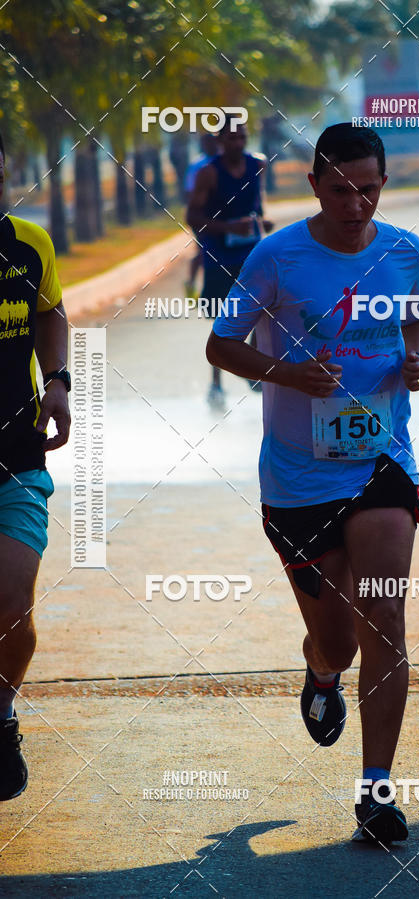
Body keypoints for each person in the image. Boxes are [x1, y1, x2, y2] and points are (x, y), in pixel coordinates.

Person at [206, 123, 419, 845]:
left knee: (385, 623)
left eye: (368, 187)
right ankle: (319, 670)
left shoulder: (405, 250)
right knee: (338, 641)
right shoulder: (277, 257)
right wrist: (287, 373)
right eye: (340, 188)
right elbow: (220, 342)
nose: (355, 202)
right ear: (314, 185)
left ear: (383, 183)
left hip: (381, 463)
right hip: (299, 478)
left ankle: (376, 792)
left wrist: (418, 359)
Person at [0, 133, 71, 801]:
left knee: (13, 607)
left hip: (16, 456)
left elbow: (51, 311)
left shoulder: (28, 243)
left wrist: (58, 381)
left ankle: (2, 715)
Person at [187, 115, 273, 409]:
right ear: (220, 140)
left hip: (252, 252)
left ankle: (254, 369)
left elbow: (256, 201)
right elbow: (192, 217)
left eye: (242, 137)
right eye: (232, 138)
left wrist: (262, 221)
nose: (238, 143)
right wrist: (227, 229)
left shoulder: (257, 164)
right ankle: (216, 384)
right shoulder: (208, 174)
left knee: (265, 310)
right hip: (219, 256)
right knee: (223, 321)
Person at [183, 132, 220, 299]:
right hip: (203, 217)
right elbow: (190, 192)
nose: (210, 145)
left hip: (220, 217)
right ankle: (191, 285)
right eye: (207, 142)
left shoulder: (223, 162)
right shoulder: (198, 166)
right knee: (202, 249)